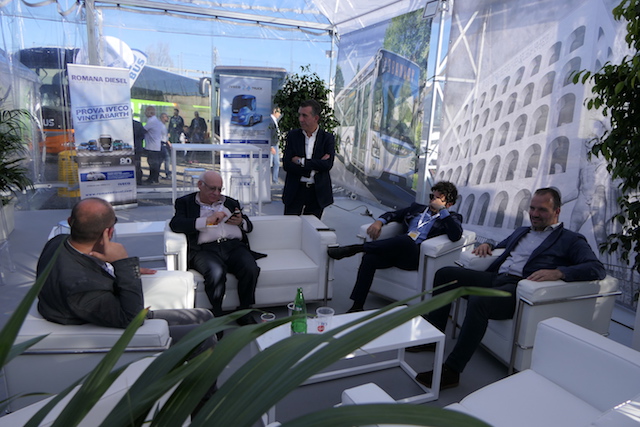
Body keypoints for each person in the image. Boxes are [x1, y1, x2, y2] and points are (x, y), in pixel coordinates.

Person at [36, 197, 218, 415]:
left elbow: (88, 268)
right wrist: (124, 266)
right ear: (109, 232)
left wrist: (118, 269)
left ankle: (199, 381)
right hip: (109, 324)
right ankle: (204, 410)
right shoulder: (79, 286)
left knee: (204, 316)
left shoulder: (58, 243)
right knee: (204, 338)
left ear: (70, 222)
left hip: (99, 309)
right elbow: (131, 319)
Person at [415, 187, 606, 390]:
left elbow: (596, 268)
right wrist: (488, 245)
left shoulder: (570, 240)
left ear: (557, 211)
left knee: (479, 301)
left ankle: (452, 371)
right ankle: (433, 337)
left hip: (516, 289)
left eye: (542, 210)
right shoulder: (523, 231)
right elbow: (501, 246)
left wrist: (559, 272)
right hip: (495, 278)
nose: (534, 214)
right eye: (532, 208)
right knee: (446, 274)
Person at [328, 181, 463, 313]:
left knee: (406, 240)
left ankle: (355, 249)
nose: (433, 201)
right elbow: (393, 215)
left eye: (438, 199)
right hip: (397, 250)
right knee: (369, 258)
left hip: (414, 256)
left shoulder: (452, 218)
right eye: (432, 196)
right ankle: (357, 306)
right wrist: (379, 222)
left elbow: (455, 235)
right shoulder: (417, 209)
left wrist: (442, 210)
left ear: (449, 204)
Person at [169, 170, 261, 325]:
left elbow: (249, 226)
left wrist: (240, 222)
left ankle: (244, 311)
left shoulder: (230, 202)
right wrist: (206, 221)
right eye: (212, 188)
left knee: (250, 268)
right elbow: (176, 224)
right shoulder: (185, 202)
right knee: (216, 273)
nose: (217, 193)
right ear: (200, 185)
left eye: (219, 189)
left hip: (233, 246)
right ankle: (217, 315)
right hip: (205, 249)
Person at [282, 99, 335, 219]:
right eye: (300, 115)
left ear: (316, 118)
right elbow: (287, 164)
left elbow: (327, 165)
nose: (300, 119)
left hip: (317, 192)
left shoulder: (327, 138)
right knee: (290, 225)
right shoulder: (293, 136)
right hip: (295, 190)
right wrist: (316, 165)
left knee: (312, 226)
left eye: (304, 115)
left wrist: (301, 161)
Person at [143, 106, 164, 184]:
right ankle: (155, 178)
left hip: (152, 146)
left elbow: (143, 130)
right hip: (156, 145)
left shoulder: (151, 121)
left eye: (146, 112)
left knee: (152, 163)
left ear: (150, 113)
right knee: (155, 163)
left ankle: (151, 179)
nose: (145, 113)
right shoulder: (156, 121)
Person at [269, 107, 282, 184]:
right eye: (279, 112)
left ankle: (275, 180)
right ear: (275, 112)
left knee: (277, 163)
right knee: (269, 164)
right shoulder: (270, 121)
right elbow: (269, 134)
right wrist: (270, 146)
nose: (279, 114)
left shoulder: (275, 121)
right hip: (272, 145)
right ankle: (267, 180)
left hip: (275, 144)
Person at [132, 119, 145, 185]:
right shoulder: (138, 124)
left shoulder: (123, 124)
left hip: (129, 147)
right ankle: (138, 180)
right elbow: (142, 136)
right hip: (137, 146)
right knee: (137, 164)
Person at [159, 112, 172, 180]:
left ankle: (157, 173)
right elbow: (164, 138)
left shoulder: (163, 126)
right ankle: (167, 173)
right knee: (167, 158)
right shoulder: (161, 126)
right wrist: (169, 143)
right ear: (162, 118)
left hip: (162, 144)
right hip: (162, 144)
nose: (167, 118)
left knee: (161, 159)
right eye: (166, 117)